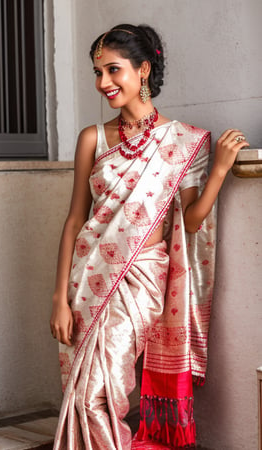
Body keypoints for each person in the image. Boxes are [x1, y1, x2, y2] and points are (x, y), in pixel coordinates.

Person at [50, 24, 249, 450]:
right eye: (96, 72)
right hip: (87, 280)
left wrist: (218, 171)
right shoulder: (93, 138)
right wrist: (57, 299)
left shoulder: (185, 142)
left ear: (143, 70)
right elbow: (74, 221)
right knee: (85, 391)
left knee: (96, 395)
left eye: (113, 70)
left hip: (142, 278)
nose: (102, 82)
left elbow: (192, 221)